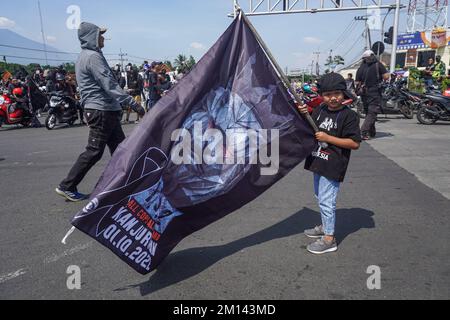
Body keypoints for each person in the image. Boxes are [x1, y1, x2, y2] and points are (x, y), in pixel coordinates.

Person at [55, 22, 145, 202]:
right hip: (101, 109)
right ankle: (67, 185)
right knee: (94, 151)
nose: (103, 38)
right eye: (99, 35)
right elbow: (109, 85)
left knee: (120, 150)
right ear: (91, 37)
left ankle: (122, 184)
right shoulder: (93, 57)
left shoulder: (85, 56)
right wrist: (133, 104)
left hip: (104, 109)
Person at [297, 72, 361, 255]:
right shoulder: (320, 110)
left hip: (333, 164)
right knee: (319, 196)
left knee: (327, 200)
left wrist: (328, 138)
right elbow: (311, 127)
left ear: (343, 93)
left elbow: (354, 143)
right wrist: (305, 113)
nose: (333, 98)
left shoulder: (349, 116)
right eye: (327, 95)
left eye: (337, 94)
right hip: (318, 160)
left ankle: (329, 238)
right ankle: (325, 225)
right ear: (322, 96)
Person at [355, 50, 390, 140]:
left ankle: (372, 132)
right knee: (372, 113)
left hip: (364, 93)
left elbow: (357, 82)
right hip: (374, 92)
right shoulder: (378, 64)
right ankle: (362, 132)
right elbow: (386, 77)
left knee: (369, 113)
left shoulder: (360, 68)